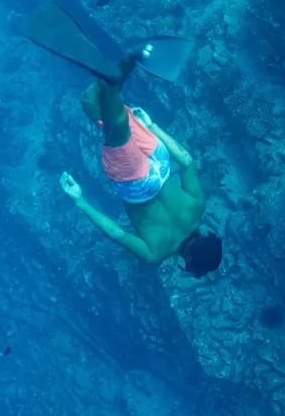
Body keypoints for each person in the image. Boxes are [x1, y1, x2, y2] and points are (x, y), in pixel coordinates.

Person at [60, 53, 223, 275]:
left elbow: (186, 161)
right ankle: (115, 77)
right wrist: (79, 200)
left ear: (206, 235)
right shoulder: (155, 254)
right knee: (116, 128)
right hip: (138, 185)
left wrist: (152, 126)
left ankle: (117, 71)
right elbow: (116, 232)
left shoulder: (198, 207)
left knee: (91, 104)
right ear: (189, 259)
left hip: (160, 162)